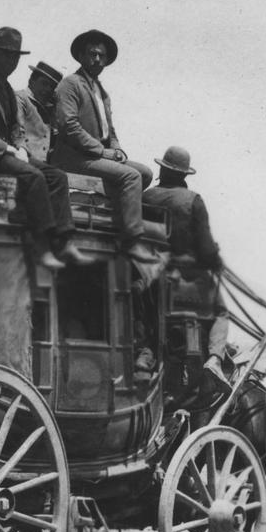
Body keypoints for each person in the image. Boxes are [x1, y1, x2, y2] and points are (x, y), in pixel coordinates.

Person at [0, 27, 94, 270]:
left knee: (56, 176)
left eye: (15, 56)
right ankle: (42, 247)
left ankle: (65, 241)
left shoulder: (6, 89)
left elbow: (17, 128)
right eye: (6, 55)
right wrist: (8, 149)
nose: (11, 61)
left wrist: (19, 147)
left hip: (2, 155)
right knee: (34, 176)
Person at [52, 29, 158, 263]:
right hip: (74, 157)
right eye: (92, 54)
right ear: (80, 56)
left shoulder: (102, 92)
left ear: (107, 60)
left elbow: (110, 130)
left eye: (101, 55)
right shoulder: (70, 84)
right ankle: (131, 241)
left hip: (97, 156)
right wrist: (103, 152)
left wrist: (117, 150)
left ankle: (117, 223)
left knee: (145, 173)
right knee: (131, 177)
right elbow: (69, 126)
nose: (97, 59)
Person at [143, 146, 230, 385]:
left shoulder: (146, 197)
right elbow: (207, 249)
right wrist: (216, 260)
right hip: (190, 280)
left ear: (162, 169)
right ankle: (214, 358)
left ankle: (147, 353)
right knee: (222, 312)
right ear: (184, 174)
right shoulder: (193, 201)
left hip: (153, 278)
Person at [24, 61, 64, 161]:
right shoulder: (20, 100)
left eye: (52, 87)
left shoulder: (48, 109)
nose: (47, 90)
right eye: (44, 83)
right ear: (31, 80)